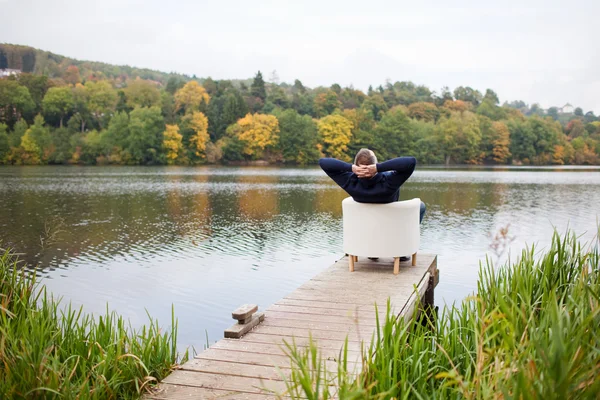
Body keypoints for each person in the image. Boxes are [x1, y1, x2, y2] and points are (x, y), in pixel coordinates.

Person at [319, 148, 425, 260]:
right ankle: (400, 250)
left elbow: (323, 162)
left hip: (368, 230)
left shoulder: (350, 182)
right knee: (421, 206)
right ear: (374, 164)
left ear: (356, 166)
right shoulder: (389, 181)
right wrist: (378, 168)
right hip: (390, 225)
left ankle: (372, 251)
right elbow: (411, 162)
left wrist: (351, 168)